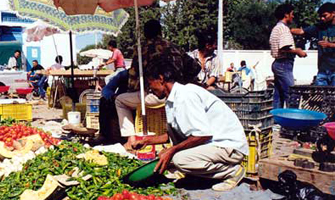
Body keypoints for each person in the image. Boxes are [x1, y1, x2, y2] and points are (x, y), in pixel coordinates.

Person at [133, 54, 249, 192]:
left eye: (150, 83)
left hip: (228, 146)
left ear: (161, 79)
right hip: (212, 145)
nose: (150, 88)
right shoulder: (172, 99)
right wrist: (148, 141)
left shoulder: (185, 96)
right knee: (170, 157)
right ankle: (196, 173)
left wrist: (172, 150)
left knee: (179, 159)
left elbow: (203, 135)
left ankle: (231, 172)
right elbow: (177, 133)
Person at [115, 19, 201, 150]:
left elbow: (133, 76)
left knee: (120, 101)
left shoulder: (142, 49)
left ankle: (130, 139)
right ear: (161, 31)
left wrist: (133, 90)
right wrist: (183, 82)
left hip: (155, 95)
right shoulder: (174, 46)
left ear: (144, 33)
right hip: (177, 93)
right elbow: (196, 68)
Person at [269, 4, 307, 108]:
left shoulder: (277, 28)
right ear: (286, 15)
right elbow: (284, 48)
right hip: (283, 64)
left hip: (279, 64)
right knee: (292, 94)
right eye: (292, 14)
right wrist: (298, 51)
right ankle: (292, 121)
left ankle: (277, 121)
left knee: (279, 96)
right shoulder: (283, 29)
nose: (293, 16)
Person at [291, 2, 335, 86]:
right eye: (320, 16)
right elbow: (302, 31)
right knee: (320, 97)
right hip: (322, 70)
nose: (322, 18)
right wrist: (286, 29)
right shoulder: (319, 27)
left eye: (324, 15)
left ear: (333, 13)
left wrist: (330, 45)